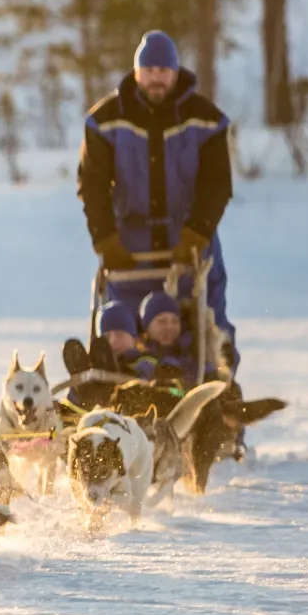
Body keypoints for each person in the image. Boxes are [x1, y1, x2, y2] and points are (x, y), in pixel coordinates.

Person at [78, 30, 239, 375]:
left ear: (176, 72)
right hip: (128, 246)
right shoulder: (105, 121)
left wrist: (197, 233)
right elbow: (91, 184)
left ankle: (216, 405)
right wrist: (105, 237)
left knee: (206, 327)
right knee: (123, 328)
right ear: (136, 72)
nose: (156, 78)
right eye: (149, 70)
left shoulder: (206, 119)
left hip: (191, 241)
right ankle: (118, 398)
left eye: (164, 71)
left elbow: (217, 184)